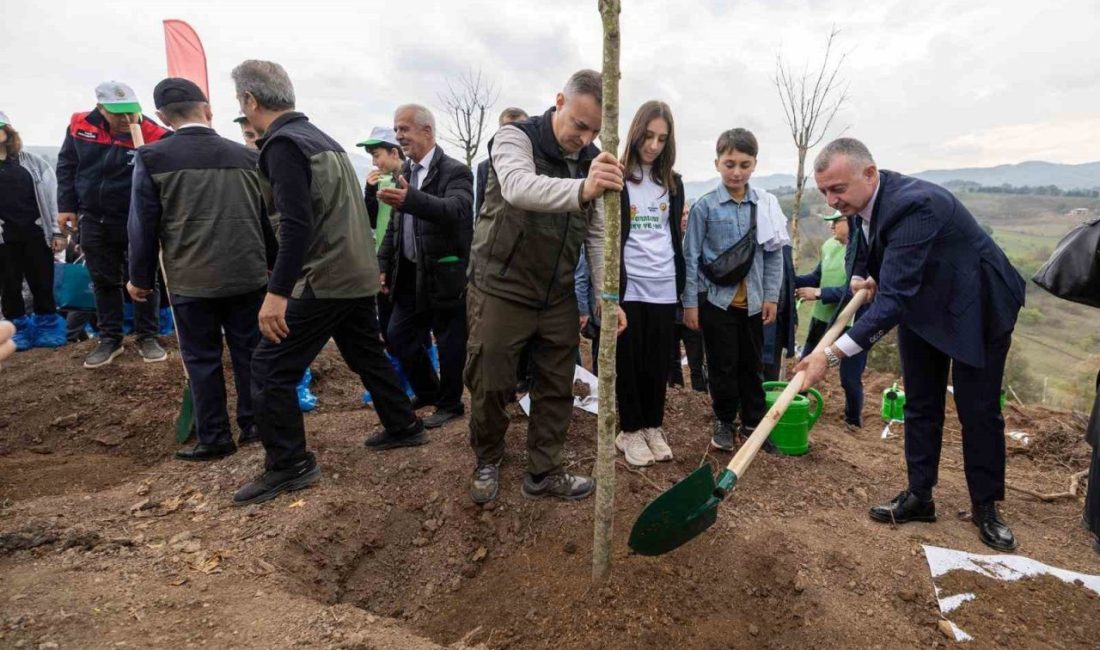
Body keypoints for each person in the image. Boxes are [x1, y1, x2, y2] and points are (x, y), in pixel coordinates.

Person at [795, 137, 1026, 551]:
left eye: (838, 189)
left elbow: (893, 300)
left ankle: (986, 506)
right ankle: (921, 495)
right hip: (924, 306)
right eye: (825, 191)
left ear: (870, 174)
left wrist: (828, 355)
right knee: (921, 401)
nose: (832, 201)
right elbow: (866, 255)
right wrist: (862, 276)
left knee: (979, 409)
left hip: (978, 304)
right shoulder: (863, 206)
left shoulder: (914, 204)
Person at [229, 60, 422, 506]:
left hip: (326, 275)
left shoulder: (282, 145)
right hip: (356, 271)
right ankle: (404, 425)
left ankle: (289, 465)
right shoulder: (322, 139)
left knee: (270, 367)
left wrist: (276, 294)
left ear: (250, 101)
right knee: (365, 352)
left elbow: (295, 224)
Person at [465, 69, 626, 504]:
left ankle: (544, 470)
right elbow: (518, 188)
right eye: (579, 124)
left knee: (557, 382)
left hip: (555, 292)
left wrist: (604, 296)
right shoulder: (516, 138)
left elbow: (595, 233)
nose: (584, 136)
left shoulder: (592, 158)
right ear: (559, 101)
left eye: (594, 129)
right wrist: (584, 187)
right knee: (492, 379)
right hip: (501, 284)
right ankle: (487, 457)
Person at [127, 78, 275, 461]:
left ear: (161, 117)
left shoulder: (151, 158)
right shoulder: (248, 157)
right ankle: (256, 425)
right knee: (249, 352)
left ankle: (214, 437)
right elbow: (267, 221)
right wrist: (274, 269)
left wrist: (140, 279)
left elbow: (143, 225)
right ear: (207, 111)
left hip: (191, 280)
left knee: (202, 359)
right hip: (248, 275)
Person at [682, 128, 788, 452]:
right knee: (722, 365)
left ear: (755, 165)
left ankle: (754, 424)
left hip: (754, 303)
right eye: (730, 164)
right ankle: (725, 420)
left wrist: (771, 296)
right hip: (717, 301)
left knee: (752, 364)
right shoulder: (705, 207)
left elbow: (773, 254)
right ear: (717, 164)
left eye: (744, 164)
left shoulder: (766, 205)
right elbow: (691, 256)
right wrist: (690, 303)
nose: (737, 171)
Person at [56, 81, 170, 368]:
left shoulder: (154, 133)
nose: (125, 119)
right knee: (103, 280)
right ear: (101, 108)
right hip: (94, 216)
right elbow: (67, 166)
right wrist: (66, 206)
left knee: (144, 278)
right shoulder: (80, 126)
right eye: (117, 113)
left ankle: (148, 336)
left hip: (137, 218)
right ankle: (110, 338)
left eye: (131, 111)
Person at [377, 105, 473, 429]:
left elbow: (457, 209)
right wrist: (383, 265)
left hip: (445, 272)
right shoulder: (404, 171)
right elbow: (394, 225)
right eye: (397, 130)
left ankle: (450, 403)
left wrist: (412, 199)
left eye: (404, 129)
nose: (399, 136)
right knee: (396, 334)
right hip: (409, 273)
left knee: (449, 341)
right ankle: (429, 391)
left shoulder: (455, 171)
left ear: (427, 131)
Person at [612, 101, 685, 468]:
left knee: (658, 360)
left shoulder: (672, 184)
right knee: (629, 359)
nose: (654, 145)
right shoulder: (619, 179)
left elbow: (672, 235)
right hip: (630, 283)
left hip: (664, 281)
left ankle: (653, 425)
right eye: (649, 135)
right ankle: (629, 430)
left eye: (662, 138)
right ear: (636, 132)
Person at [358, 125, 418, 403]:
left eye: (377, 154)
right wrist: (369, 193)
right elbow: (371, 221)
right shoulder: (379, 183)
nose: (374, 162)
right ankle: (395, 381)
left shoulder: (413, 180)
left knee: (406, 327)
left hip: (405, 263)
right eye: (371, 156)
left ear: (395, 152)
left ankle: (414, 381)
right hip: (380, 261)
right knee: (385, 323)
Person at [793, 211, 867, 430]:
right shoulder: (828, 246)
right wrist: (791, 279)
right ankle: (796, 405)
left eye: (835, 222)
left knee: (849, 377)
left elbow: (853, 291)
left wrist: (817, 293)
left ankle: (853, 421)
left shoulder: (860, 253)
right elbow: (817, 277)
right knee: (805, 363)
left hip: (851, 323)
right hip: (821, 318)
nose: (831, 227)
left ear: (850, 222)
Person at [0, 111, 67, 349]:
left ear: (8, 131)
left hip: (36, 234)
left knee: (42, 283)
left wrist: (57, 232)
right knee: (9, 286)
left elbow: (53, 200)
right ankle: (15, 329)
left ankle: (48, 326)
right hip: (4, 239)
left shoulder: (33, 163)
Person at [668, 202, 707, 392]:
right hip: (671, 309)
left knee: (696, 359)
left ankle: (700, 394)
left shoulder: (700, 242)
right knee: (671, 358)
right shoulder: (667, 240)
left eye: (687, 213)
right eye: (681, 213)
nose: (684, 218)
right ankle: (676, 392)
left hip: (693, 308)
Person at [475, 107, 528, 221]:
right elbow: (480, 205)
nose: (514, 134)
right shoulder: (484, 167)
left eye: (519, 128)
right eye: (509, 129)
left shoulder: (540, 163)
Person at [762, 243, 796, 382]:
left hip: (778, 323)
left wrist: (794, 317)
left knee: (771, 373)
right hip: (758, 321)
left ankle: (769, 403)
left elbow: (789, 283)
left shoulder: (785, 249)